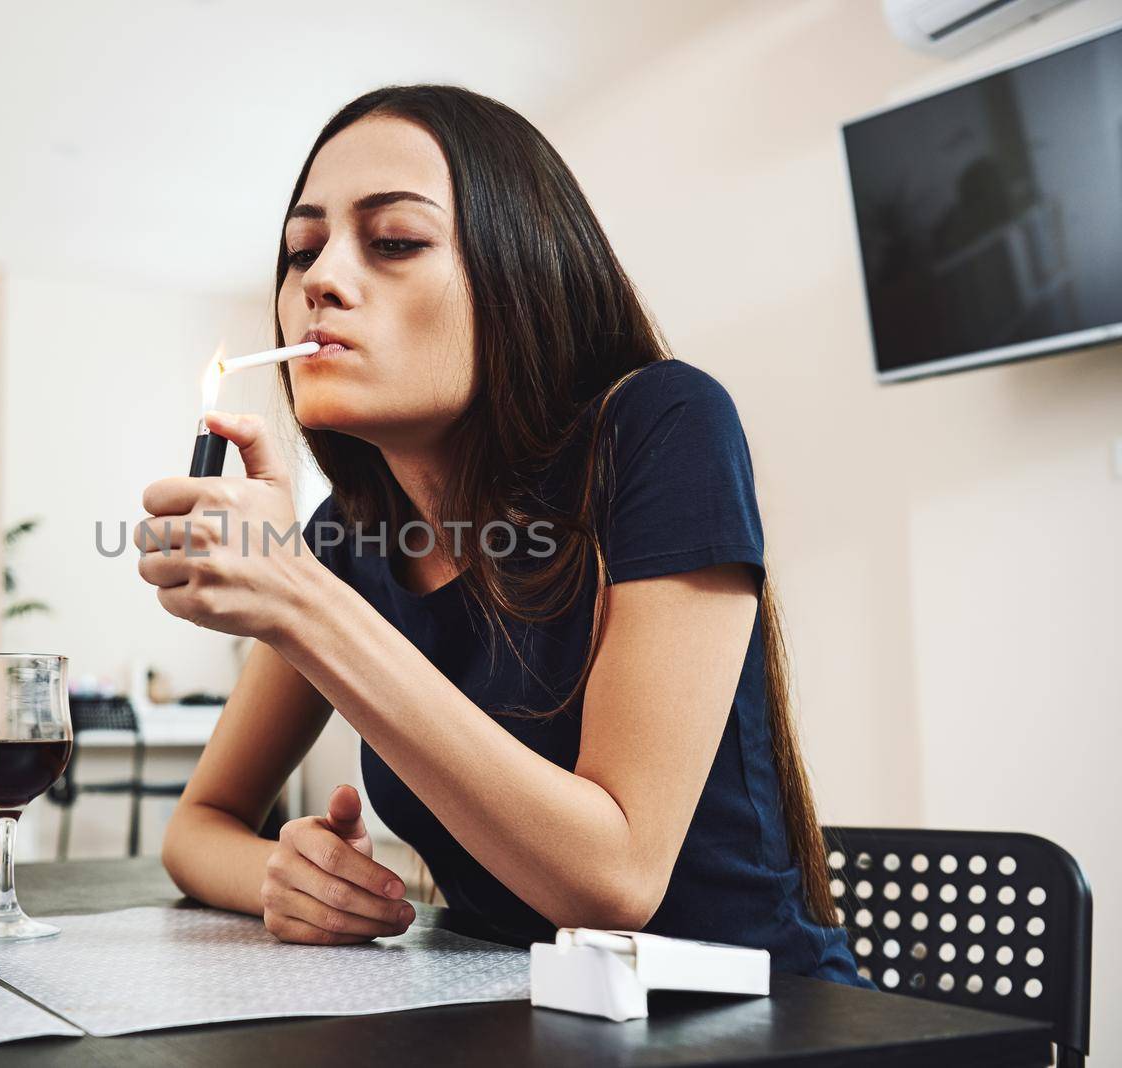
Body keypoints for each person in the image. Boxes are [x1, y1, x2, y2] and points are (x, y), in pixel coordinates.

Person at [136, 84, 862, 983]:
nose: (318, 280)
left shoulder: (662, 425)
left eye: (394, 241)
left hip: (761, 1028)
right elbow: (197, 828)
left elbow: (614, 880)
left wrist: (302, 603)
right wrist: (282, 877)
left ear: (523, 270)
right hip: (513, 1016)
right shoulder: (348, 540)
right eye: (301, 249)